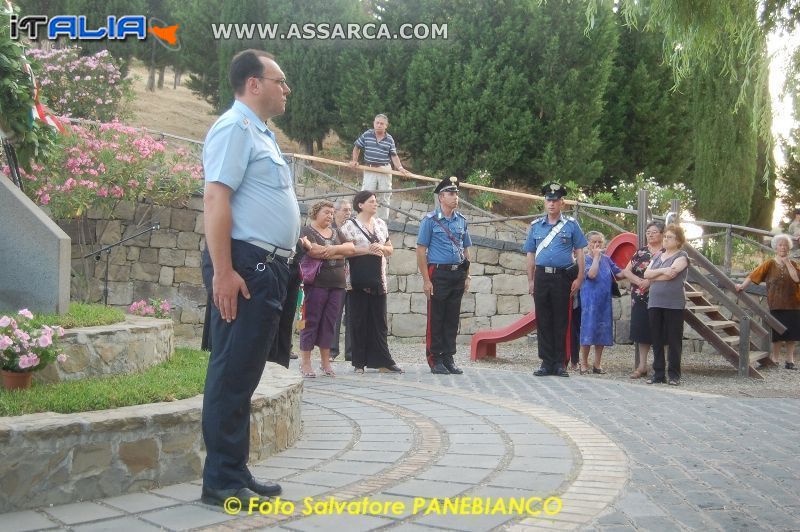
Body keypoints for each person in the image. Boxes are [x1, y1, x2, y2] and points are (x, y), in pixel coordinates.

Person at [200, 49, 298, 507]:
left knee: (246, 371)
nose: (286, 89)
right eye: (280, 80)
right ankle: (219, 480)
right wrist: (223, 272)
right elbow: (216, 200)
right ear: (253, 84)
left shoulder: (261, 134)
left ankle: (233, 470)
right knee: (231, 372)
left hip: (267, 268)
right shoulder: (234, 128)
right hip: (244, 267)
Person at [523, 182, 587, 377]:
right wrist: (531, 280)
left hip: (562, 277)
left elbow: (580, 252)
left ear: (562, 203)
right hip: (542, 276)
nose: (551, 204)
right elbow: (530, 254)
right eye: (548, 200)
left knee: (561, 319)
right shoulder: (535, 226)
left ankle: (560, 362)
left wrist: (580, 276)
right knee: (543, 319)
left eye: (555, 200)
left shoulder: (571, 225)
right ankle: (546, 361)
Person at [339, 190, 403, 373]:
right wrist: (367, 250)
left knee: (380, 321)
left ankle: (383, 360)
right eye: (371, 201)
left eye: (376, 202)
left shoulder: (381, 224)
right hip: (357, 279)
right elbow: (345, 251)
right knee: (359, 320)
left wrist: (381, 247)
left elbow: (390, 248)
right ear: (360, 204)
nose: (375, 204)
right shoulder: (349, 226)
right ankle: (359, 362)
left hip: (378, 279)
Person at [416, 176, 472, 375]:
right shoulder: (430, 221)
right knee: (437, 317)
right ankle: (435, 358)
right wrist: (426, 280)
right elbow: (421, 250)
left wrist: (467, 275)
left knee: (452, 318)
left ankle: (449, 357)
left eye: (456, 193)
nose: (455, 197)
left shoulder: (461, 221)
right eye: (451, 193)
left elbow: (466, 250)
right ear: (441, 197)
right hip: (438, 273)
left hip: (457, 273)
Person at [298, 200, 354, 377]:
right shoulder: (306, 231)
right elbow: (314, 251)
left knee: (329, 323)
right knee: (310, 322)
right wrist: (339, 250)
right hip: (315, 284)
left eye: (331, 213)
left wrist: (331, 249)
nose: (330, 216)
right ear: (316, 213)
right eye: (326, 212)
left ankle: (325, 362)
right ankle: (305, 363)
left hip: (337, 284)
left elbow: (351, 249)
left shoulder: (337, 232)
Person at [736, 234, 800, 370]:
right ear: (776, 247)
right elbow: (753, 275)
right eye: (780, 245)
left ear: (788, 248)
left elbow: (796, 279)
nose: (783, 247)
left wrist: (787, 262)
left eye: (785, 245)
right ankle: (775, 359)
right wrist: (742, 286)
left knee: (792, 335)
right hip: (776, 303)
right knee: (777, 335)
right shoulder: (769, 263)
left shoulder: (793, 264)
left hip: (794, 304)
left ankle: (790, 361)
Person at [644, 224, 689, 386]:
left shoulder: (682, 256)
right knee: (656, 339)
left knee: (674, 340)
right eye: (665, 236)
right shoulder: (657, 256)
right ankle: (659, 373)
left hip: (674, 304)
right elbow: (646, 274)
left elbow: (673, 274)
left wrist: (655, 276)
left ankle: (674, 374)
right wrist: (663, 271)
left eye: (669, 237)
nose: (665, 239)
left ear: (678, 240)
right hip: (655, 302)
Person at [619, 221, 665, 379]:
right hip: (639, 295)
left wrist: (650, 282)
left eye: (654, 232)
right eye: (648, 232)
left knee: (661, 331)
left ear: (662, 234)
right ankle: (642, 365)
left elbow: (670, 273)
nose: (650, 234)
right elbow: (627, 271)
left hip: (660, 296)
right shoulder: (641, 252)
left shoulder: (667, 253)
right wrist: (639, 282)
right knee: (641, 330)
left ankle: (660, 366)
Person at [349, 114, 409, 220]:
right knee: (365, 195)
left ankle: (382, 223)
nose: (379, 125)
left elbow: (394, 155)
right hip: (370, 169)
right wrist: (354, 161)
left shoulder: (389, 139)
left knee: (384, 196)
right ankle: (363, 220)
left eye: (382, 123)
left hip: (384, 169)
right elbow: (357, 147)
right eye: (377, 122)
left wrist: (400, 168)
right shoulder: (367, 134)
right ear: (374, 123)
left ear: (386, 126)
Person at [578, 231, 622, 375]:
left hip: (604, 301)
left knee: (602, 331)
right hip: (589, 302)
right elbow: (591, 274)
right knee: (588, 330)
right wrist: (596, 257)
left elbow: (619, 273)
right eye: (594, 242)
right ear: (588, 244)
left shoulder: (607, 259)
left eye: (600, 242)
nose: (597, 245)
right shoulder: (583, 259)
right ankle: (583, 362)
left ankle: (597, 364)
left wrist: (632, 271)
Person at [330, 198, 353, 361]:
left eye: (350, 210)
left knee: (352, 313)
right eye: (345, 210)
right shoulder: (329, 229)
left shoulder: (352, 227)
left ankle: (351, 352)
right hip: (333, 275)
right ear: (335, 211)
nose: (348, 213)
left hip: (351, 275)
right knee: (334, 313)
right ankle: (332, 349)